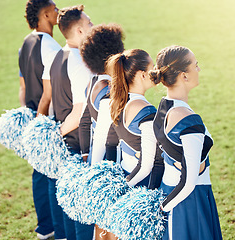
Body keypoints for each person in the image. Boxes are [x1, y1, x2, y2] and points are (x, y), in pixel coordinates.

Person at [149, 45, 222, 239]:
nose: (199, 70)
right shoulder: (189, 120)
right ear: (184, 76)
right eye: (195, 65)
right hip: (188, 202)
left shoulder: (163, 109)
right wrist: (162, 210)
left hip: (169, 192)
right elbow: (189, 181)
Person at [50, 5, 94, 240]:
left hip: (67, 145)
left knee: (69, 212)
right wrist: (57, 135)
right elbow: (79, 113)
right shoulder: (79, 63)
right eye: (89, 24)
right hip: (77, 146)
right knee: (82, 215)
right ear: (78, 31)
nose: (93, 27)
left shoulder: (60, 54)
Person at [18, 0, 61, 239]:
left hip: (32, 117)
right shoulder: (52, 47)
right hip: (48, 120)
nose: (58, 12)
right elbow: (50, 92)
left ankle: (45, 228)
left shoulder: (25, 42)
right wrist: (42, 123)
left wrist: (28, 117)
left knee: (39, 174)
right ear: (45, 14)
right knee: (53, 175)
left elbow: (22, 86)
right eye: (55, 9)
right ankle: (57, 228)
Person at [79, 23, 125, 240]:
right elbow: (101, 137)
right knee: (111, 225)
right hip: (107, 164)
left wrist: (85, 157)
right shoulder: (108, 91)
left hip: (96, 162)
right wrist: (95, 173)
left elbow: (84, 123)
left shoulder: (92, 82)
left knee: (102, 224)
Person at [106, 49, 164, 189]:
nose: (156, 71)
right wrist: (122, 188)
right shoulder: (146, 111)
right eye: (152, 68)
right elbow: (146, 166)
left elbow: (110, 143)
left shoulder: (119, 102)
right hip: (142, 184)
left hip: (126, 171)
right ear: (142, 75)